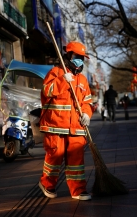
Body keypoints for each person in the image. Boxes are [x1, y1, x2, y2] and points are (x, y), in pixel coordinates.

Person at [38, 41, 93, 201]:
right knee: (55, 156)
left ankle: (78, 190)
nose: (80, 60)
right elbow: (46, 92)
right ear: (69, 55)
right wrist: (62, 80)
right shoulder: (55, 72)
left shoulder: (83, 79)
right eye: (78, 56)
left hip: (77, 127)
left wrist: (87, 114)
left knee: (76, 160)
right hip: (55, 125)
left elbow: (87, 102)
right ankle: (47, 183)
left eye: (82, 57)